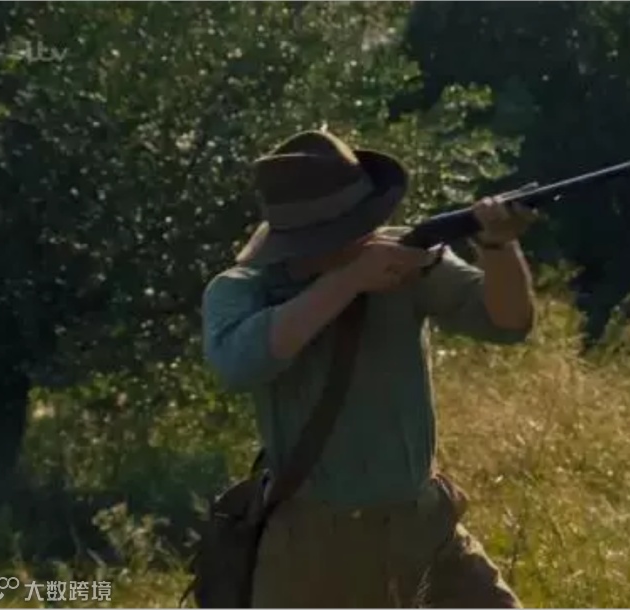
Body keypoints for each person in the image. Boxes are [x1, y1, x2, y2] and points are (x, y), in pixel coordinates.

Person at [200, 129, 537, 607]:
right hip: (316, 544)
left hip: (424, 524)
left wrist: (499, 248)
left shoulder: (404, 260)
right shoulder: (241, 290)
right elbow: (240, 365)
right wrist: (351, 280)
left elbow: (508, 323)